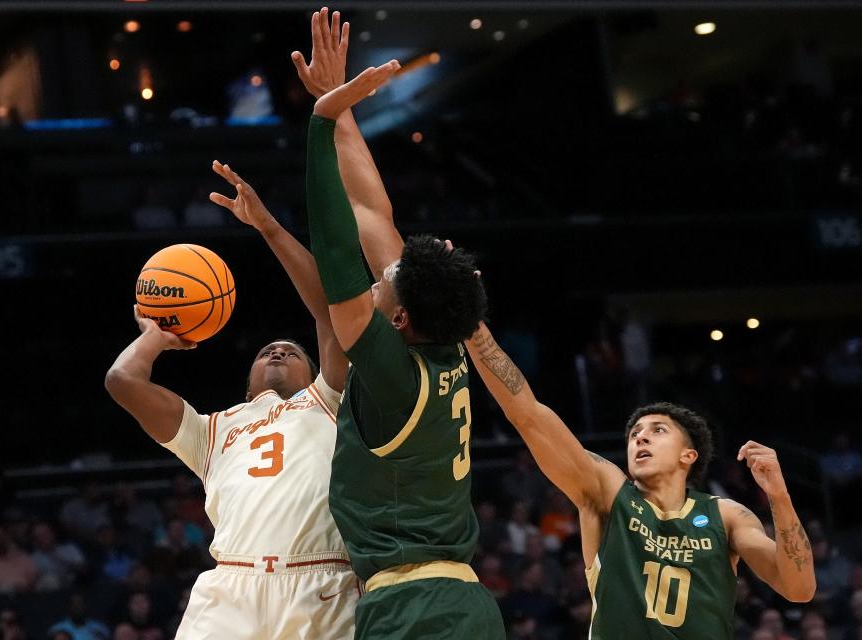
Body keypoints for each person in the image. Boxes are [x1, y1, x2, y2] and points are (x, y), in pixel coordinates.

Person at [104, 16, 400, 628]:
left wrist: (268, 228)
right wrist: (158, 334)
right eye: (269, 349)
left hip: (322, 585)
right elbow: (122, 383)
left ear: (318, 368)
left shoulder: (331, 401)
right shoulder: (212, 434)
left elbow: (330, 309)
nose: (277, 351)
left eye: (291, 350)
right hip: (230, 589)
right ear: (244, 380)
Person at [302, 22, 503, 639]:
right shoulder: (441, 343)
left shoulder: (395, 377)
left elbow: (337, 248)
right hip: (464, 603)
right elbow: (370, 211)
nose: (380, 272)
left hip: (413, 609)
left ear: (397, 319)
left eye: (388, 277)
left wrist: (317, 126)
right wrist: (341, 109)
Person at [463, 322, 817, 638]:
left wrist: (780, 498)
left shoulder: (725, 516)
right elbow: (527, 413)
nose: (640, 439)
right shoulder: (608, 493)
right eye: (634, 434)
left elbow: (798, 589)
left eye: (657, 431)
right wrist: (471, 325)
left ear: (688, 455)